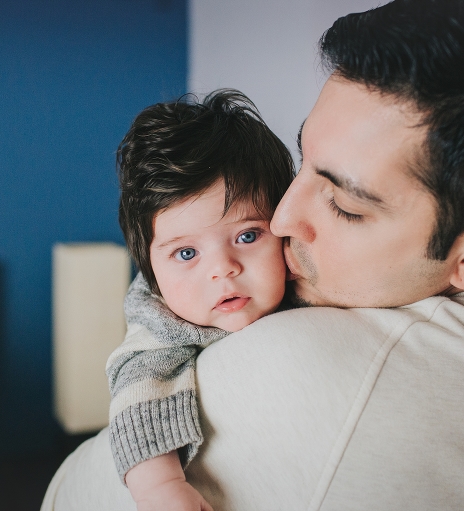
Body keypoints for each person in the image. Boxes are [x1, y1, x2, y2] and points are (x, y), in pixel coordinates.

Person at [42, 0, 464, 509]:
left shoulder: (323, 377)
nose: (280, 220)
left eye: (345, 204)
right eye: (302, 163)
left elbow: (66, 495)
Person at [107, 89, 293, 510]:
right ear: (152, 271)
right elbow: (138, 390)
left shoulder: (303, 269)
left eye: (247, 236)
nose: (222, 268)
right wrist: (160, 488)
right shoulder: (161, 322)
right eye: (186, 253)